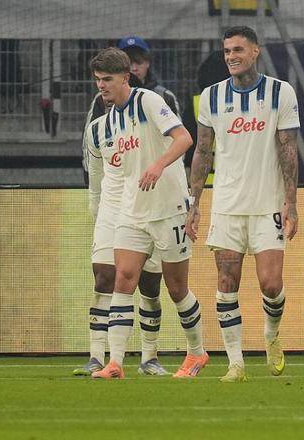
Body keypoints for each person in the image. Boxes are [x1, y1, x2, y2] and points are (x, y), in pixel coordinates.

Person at [186, 26, 300, 382]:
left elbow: (288, 149)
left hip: (267, 206)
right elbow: (202, 151)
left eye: (238, 49)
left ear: (255, 51)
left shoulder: (281, 92)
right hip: (226, 206)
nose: (231, 57)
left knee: (271, 285)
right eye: (227, 51)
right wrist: (194, 203)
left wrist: (292, 202)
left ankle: (271, 334)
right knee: (226, 282)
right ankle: (235, 363)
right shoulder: (212, 96)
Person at [87, 47, 208, 379]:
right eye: (98, 80)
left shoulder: (149, 101)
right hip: (132, 211)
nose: (101, 86)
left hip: (168, 209)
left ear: (125, 77)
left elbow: (184, 139)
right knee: (123, 280)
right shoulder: (110, 120)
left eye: (107, 79)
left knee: (176, 288)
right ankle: (114, 362)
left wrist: (158, 165)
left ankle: (197, 352)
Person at [73, 74, 171, 377]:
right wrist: (96, 210)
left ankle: (149, 357)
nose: (105, 91)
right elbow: (95, 176)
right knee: (103, 276)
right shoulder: (97, 130)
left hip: (148, 207)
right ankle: (96, 356)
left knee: (150, 284)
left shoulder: (148, 123)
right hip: (112, 210)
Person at [81, 36, 180, 183]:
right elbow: (89, 141)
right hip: (117, 179)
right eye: (129, 63)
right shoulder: (101, 99)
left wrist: (165, 172)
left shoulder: (164, 97)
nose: (134, 68)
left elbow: (179, 140)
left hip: (157, 179)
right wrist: (92, 177)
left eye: (138, 62)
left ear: (147, 63)